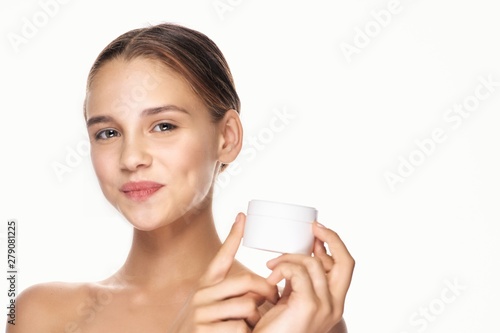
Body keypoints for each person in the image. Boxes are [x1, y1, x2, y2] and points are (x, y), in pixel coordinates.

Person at [7, 23, 354, 332]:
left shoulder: (290, 317)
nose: (131, 158)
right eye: (108, 133)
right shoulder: (39, 314)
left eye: (163, 126)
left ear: (227, 138)